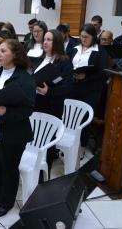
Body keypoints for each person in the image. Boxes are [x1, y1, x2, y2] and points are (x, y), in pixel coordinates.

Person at [0, 39, 35, 217]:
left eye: (3, 51)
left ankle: (7, 202)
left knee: (9, 168)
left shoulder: (25, 78)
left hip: (12, 133)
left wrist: (6, 113)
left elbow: (28, 109)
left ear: (15, 55)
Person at [31, 30, 73, 175]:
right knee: (35, 139)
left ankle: (44, 173)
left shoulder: (64, 61)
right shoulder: (40, 58)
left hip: (52, 106)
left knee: (47, 142)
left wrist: (49, 91)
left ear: (57, 43)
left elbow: (68, 87)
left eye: (49, 40)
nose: (45, 42)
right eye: (45, 39)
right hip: (36, 103)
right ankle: (34, 167)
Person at [69, 23, 107, 155]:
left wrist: (86, 76)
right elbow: (67, 64)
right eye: (82, 36)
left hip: (90, 90)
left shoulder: (99, 50)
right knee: (70, 117)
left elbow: (103, 73)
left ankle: (82, 146)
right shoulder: (74, 48)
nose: (83, 39)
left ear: (93, 37)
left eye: (87, 37)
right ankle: (70, 145)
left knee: (84, 118)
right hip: (73, 87)